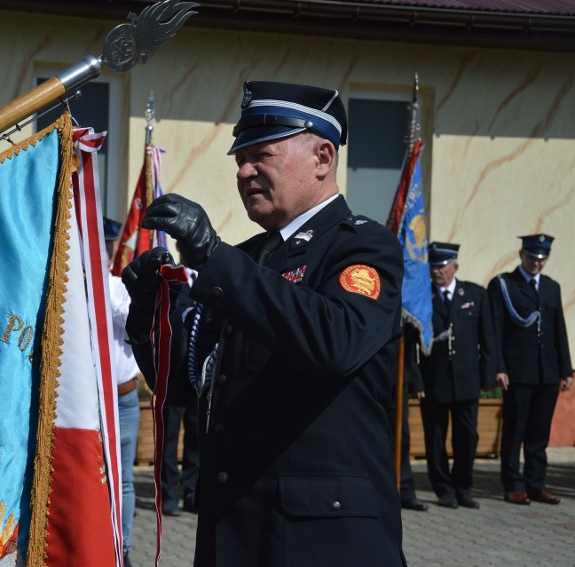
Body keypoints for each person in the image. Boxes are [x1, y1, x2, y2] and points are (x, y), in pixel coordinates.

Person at [123, 81, 406, 566]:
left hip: (319, 545)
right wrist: (152, 311)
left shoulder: (362, 247)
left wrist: (215, 258)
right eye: (239, 160)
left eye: (261, 156)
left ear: (322, 157)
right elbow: (183, 386)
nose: (244, 171)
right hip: (235, 533)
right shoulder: (248, 261)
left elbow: (333, 342)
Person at [487, 234, 574, 505]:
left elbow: (559, 329)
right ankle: (513, 485)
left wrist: (566, 370)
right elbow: (494, 330)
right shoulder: (504, 285)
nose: (537, 263)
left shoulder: (551, 287)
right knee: (514, 431)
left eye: (542, 258)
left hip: (546, 373)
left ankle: (536, 483)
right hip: (518, 372)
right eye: (532, 257)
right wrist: (499, 367)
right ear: (522, 254)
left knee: (539, 432)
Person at [417, 242, 495, 509]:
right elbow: (411, 343)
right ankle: (443, 489)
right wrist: (416, 380)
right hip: (434, 380)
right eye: (433, 265)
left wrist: (488, 376)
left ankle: (463, 486)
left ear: (455, 267)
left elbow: (488, 340)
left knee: (467, 436)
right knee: (435, 437)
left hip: (466, 381)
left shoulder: (474, 294)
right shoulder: (421, 297)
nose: (436, 271)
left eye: (441, 266)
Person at [103, 217, 141, 567]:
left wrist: (103, 290)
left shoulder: (118, 286)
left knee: (124, 480)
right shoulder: (72, 287)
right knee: (95, 474)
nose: (104, 249)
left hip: (124, 397)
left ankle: (124, 548)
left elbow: (135, 326)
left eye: (108, 244)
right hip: (93, 401)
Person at [392, 324, 428, 512]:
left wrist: (416, 380)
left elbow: (411, 348)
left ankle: (404, 490)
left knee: (402, 437)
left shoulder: (407, 300)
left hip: (400, 377)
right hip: (372, 374)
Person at [161, 394, 200, 516]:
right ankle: (169, 494)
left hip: (197, 382)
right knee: (168, 435)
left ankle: (191, 491)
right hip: (173, 380)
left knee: (196, 435)